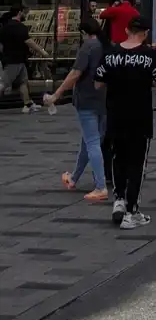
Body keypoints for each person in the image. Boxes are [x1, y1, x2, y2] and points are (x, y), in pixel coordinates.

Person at [96, 15, 156, 229]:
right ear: (145, 34)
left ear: (127, 30)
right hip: (140, 115)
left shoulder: (110, 53)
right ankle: (132, 210)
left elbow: (98, 84)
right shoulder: (150, 54)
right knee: (137, 163)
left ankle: (118, 199)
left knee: (118, 158)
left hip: (116, 114)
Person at [45, 19, 108, 202]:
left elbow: (75, 74)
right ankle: (73, 178)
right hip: (104, 100)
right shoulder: (108, 46)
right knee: (88, 142)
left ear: (83, 33)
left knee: (92, 143)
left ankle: (100, 186)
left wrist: (57, 94)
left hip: (87, 99)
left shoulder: (88, 47)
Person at [0, 7, 47, 112]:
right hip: (15, 60)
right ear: (19, 13)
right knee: (4, 83)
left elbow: (1, 46)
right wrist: (43, 52)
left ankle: (28, 104)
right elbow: (30, 42)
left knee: (23, 82)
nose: (25, 15)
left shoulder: (5, 27)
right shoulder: (20, 27)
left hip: (14, 59)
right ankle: (28, 104)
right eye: (24, 13)